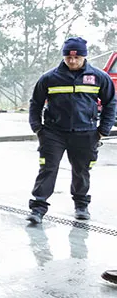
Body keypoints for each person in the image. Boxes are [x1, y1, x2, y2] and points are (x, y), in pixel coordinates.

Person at [27, 37, 116, 224]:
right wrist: (37, 128)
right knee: (47, 169)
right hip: (53, 133)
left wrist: (103, 130)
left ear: (84, 56)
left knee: (82, 171)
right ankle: (38, 208)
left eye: (77, 57)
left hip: (86, 133)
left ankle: (81, 205)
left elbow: (110, 103)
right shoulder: (49, 78)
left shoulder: (99, 77)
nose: (72, 61)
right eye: (68, 57)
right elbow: (35, 103)